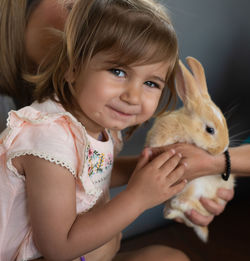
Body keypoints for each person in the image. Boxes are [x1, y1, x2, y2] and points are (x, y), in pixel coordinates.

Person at [0, 0, 234, 231]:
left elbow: (86, 177)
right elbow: (58, 248)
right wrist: (138, 197)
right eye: (118, 71)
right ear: (72, 67)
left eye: (151, 83)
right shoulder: (49, 138)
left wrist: (156, 172)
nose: (133, 96)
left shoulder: (98, 123)